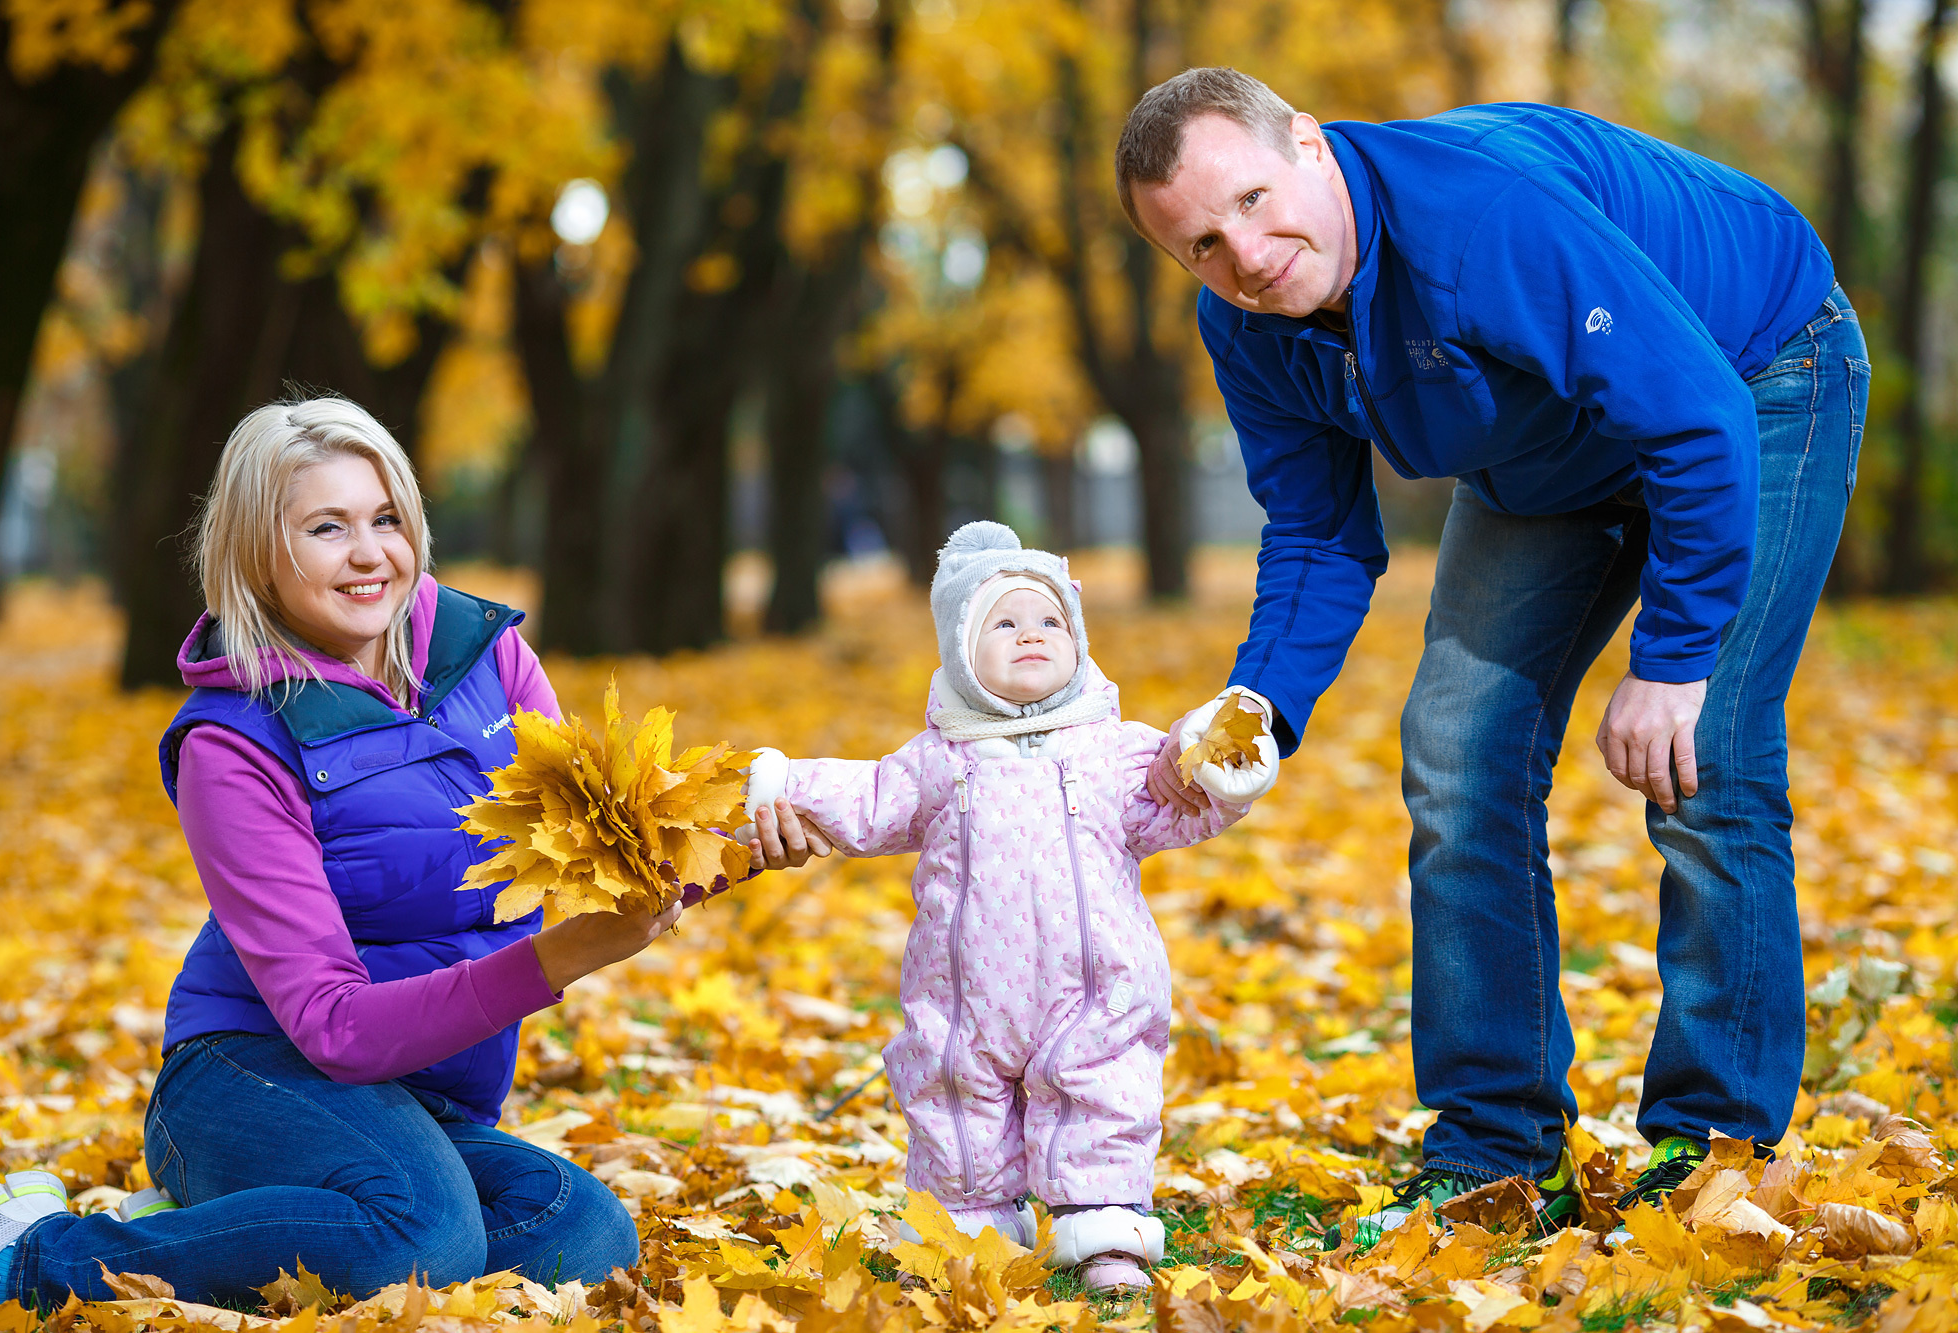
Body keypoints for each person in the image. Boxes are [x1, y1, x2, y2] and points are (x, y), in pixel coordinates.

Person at [1119, 69, 1867, 1242]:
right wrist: (1254, 708)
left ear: (1307, 143)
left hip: (1752, 372)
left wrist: (1670, 660)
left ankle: (1714, 1147)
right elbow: (1316, 532)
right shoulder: (1249, 329)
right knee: (1455, 751)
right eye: (1201, 245)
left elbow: (1689, 419)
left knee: (1706, 751)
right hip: (1554, 451)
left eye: (1253, 201)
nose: (1246, 257)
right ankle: (1495, 1150)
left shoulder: (1478, 217)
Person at [0, 396, 826, 1305]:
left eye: (387, 519)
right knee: (425, 1235)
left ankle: (244, 1227)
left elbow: (596, 863)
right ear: (257, 553)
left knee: (583, 1234)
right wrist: (555, 960)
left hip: (419, 1094)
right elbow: (332, 1024)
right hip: (249, 1074)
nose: (371, 553)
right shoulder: (235, 742)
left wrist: (731, 847)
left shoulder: (488, 656)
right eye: (327, 528)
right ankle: (32, 1253)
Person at [740, 522, 1277, 1293]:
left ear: (1078, 640)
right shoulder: (937, 760)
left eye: (1051, 619)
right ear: (961, 652)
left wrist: (1221, 767)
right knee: (956, 1100)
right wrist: (784, 785)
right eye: (1004, 623)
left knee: (1106, 1096)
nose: (1032, 633)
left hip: (1099, 987)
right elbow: (864, 796)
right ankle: (969, 1228)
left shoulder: (1118, 752)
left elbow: (1181, 802)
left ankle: (1105, 1229)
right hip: (966, 996)